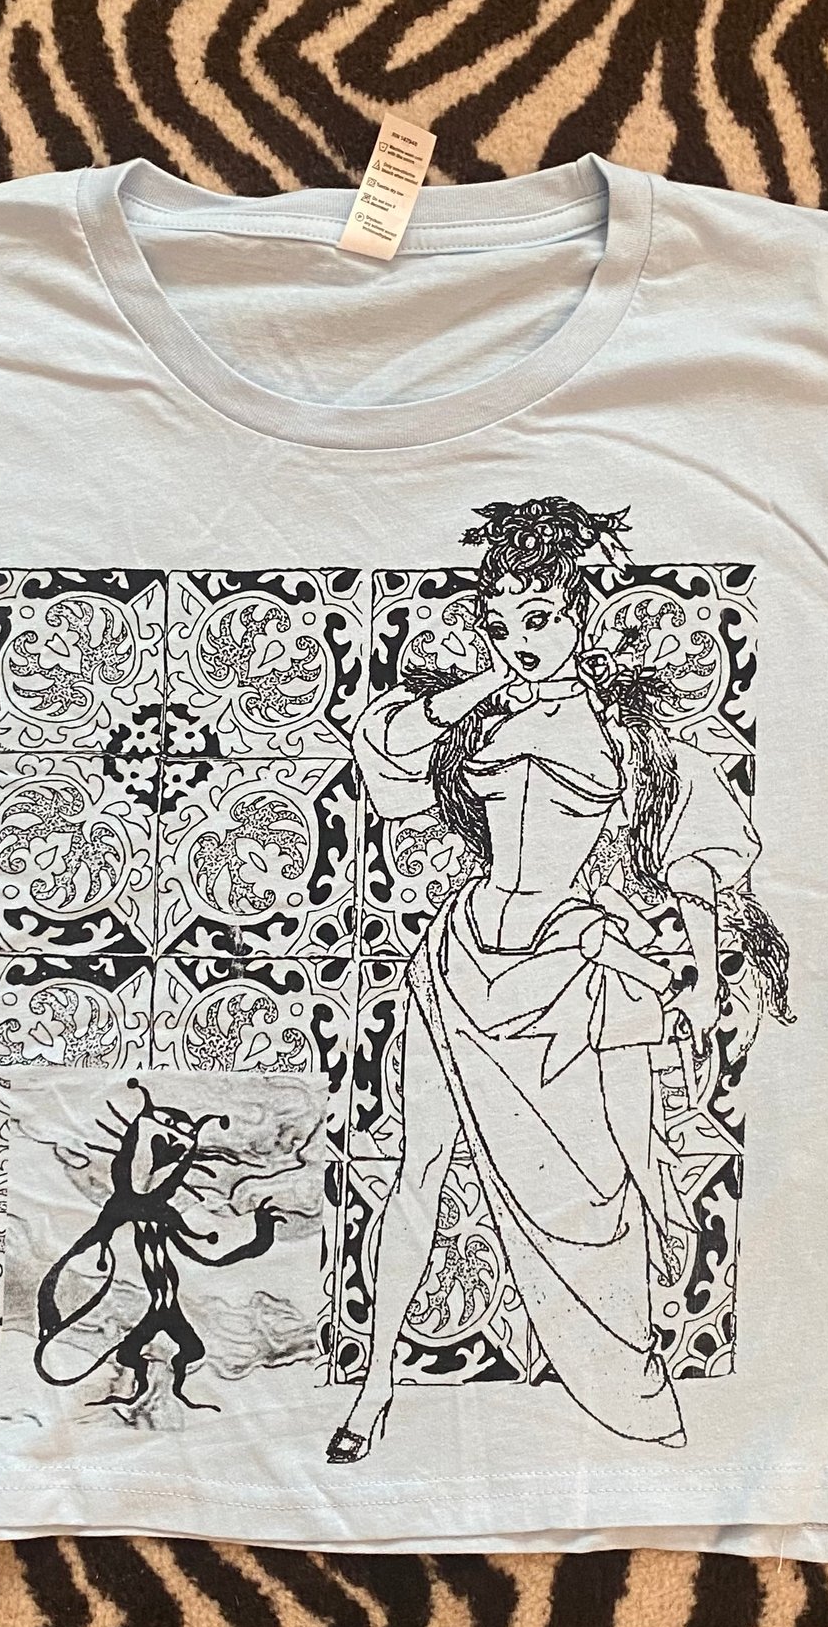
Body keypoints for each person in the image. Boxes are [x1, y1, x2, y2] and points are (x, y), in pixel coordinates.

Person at [327, 497, 792, 1463]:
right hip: (458, 957)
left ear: (579, 612)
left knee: (602, 1183)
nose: (522, 640)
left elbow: (697, 858)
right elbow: (383, 745)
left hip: (568, 961)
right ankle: (375, 1388)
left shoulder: (627, 737)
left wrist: (702, 977)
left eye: (540, 617)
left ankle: (623, 1372)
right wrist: (485, 683)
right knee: (417, 1172)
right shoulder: (477, 720)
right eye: (502, 624)